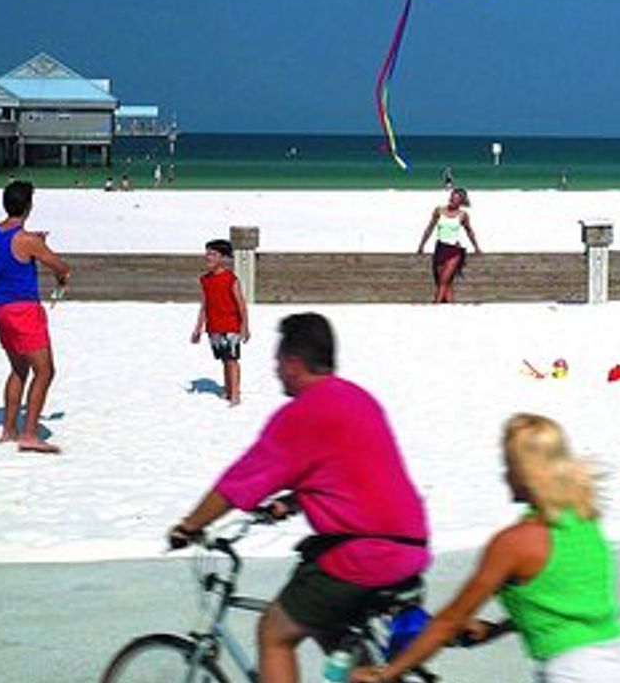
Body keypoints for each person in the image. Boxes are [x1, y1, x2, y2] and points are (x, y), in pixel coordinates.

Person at [170, 313, 430, 683]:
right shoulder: (357, 398)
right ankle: (366, 674)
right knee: (320, 612)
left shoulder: (303, 413)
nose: (275, 371)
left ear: (292, 363)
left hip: (362, 554)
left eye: (277, 362)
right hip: (408, 545)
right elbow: (348, 473)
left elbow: (238, 484)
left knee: (275, 632)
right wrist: (293, 502)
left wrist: (189, 526)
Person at [351, 414, 620, 683]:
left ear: (527, 472)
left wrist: (388, 673)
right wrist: (497, 629)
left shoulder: (515, 542)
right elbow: (567, 604)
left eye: (509, 466)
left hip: (576, 672)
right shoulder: (583, 519)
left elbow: (450, 620)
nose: (504, 475)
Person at [0, 179, 70, 454]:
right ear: (28, 206)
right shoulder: (27, 241)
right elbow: (60, 266)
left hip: (0, 308)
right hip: (23, 309)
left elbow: (16, 245)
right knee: (45, 370)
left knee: (19, 369)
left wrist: (35, 241)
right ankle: (30, 434)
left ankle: (9, 430)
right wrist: (58, 273)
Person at [190, 238, 251, 405]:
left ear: (223, 258)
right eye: (207, 253)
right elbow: (204, 305)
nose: (208, 257)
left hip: (231, 325)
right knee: (224, 359)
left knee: (232, 359)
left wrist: (245, 327)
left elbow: (242, 306)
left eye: (213, 254)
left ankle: (235, 394)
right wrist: (198, 329)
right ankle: (228, 389)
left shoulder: (231, 279)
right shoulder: (205, 280)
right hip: (214, 326)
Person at [416, 188, 481, 304]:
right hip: (440, 248)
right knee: (446, 283)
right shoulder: (439, 211)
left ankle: (435, 304)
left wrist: (476, 247)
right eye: (451, 197)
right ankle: (449, 307)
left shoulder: (463, 215)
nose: (451, 200)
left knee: (443, 281)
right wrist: (421, 245)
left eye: (455, 199)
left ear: (460, 202)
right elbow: (429, 228)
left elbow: (469, 231)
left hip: (454, 251)